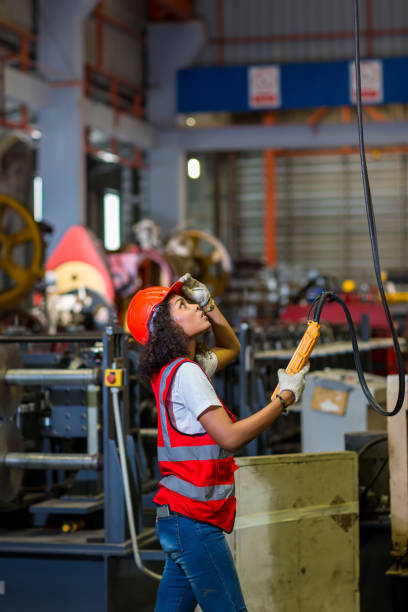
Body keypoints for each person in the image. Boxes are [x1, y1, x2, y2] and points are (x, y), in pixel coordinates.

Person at [127, 274, 309, 612]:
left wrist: (210, 304)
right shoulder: (188, 374)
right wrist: (284, 398)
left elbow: (232, 348)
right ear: (165, 327)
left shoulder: (176, 369)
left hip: (177, 518)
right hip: (194, 522)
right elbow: (231, 436)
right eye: (183, 305)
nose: (196, 306)